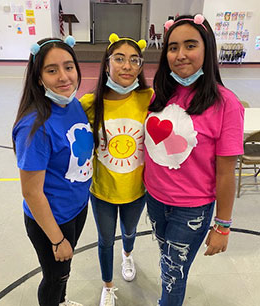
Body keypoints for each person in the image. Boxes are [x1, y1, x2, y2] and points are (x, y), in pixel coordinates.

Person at [144, 14, 244, 306]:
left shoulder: (226, 104)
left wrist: (223, 225)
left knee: (174, 272)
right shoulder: (160, 95)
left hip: (191, 210)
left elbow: (226, 173)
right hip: (155, 200)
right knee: (167, 261)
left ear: (207, 49)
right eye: (173, 47)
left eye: (190, 45)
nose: (180, 55)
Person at [12, 36, 94, 306]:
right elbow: (32, 193)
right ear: (38, 77)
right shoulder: (34, 125)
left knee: (64, 273)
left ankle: (62, 301)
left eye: (68, 67)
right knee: (54, 276)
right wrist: (57, 241)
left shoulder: (72, 104)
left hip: (76, 208)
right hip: (51, 220)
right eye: (51, 70)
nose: (63, 77)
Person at [80, 33, 153, 306]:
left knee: (130, 232)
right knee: (104, 240)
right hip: (102, 192)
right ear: (107, 64)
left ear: (140, 66)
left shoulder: (149, 97)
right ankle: (108, 285)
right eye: (119, 59)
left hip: (137, 189)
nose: (127, 66)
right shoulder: (90, 102)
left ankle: (128, 254)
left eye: (134, 60)